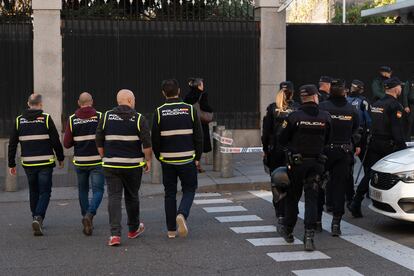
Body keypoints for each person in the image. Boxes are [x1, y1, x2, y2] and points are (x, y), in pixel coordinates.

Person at [95, 89, 152, 246]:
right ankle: (133, 229)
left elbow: (98, 139)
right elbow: (147, 143)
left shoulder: (106, 116)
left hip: (111, 164)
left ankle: (115, 235)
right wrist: (148, 160)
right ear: (130, 100)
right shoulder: (139, 118)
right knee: (132, 196)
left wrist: (103, 156)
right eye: (134, 100)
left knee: (114, 197)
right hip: (133, 165)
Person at [278, 84, 331, 251]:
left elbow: (281, 139)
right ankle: (309, 237)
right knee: (312, 199)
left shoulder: (294, 117)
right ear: (315, 97)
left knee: (292, 198)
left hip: (297, 164)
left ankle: (288, 231)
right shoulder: (325, 116)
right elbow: (328, 140)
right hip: (316, 164)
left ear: (302, 98)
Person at [152, 79, 203, 239]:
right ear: (179, 91)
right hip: (187, 158)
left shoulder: (159, 112)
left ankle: (171, 230)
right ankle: (182, 213)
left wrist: (159, 156)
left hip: (167, 160)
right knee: (189, 189)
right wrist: (197, 157)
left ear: (163, 93)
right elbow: (198, 136)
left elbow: (155, 139)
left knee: (170, 193)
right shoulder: (189, 109)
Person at [349, 77, 406, 218]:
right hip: (388, 146)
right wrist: (402, 148)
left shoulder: (376, 104)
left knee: (370, 173)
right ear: (395, 88)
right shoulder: (395, 106)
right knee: (396, 177)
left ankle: (356, 202)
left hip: (374, 143)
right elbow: (396, 131)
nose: (401, 89)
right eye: (400, 86)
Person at [8, 94, 64, 236]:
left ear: (28, 103)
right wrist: (60, 157)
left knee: (33, 191)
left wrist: (11, 163)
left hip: (28, 163)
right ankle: (38, 217)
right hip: (45, 162)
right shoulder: (45, 119)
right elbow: (55, 140)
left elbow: (12, 144)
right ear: (40, 104)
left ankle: (35, 218)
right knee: (45, 192)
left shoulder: (19, 120)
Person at [319, 79, 360, 236]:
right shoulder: (351, 109)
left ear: (330, 92)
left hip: (324, 152)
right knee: (339, 188)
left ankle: (316, 220)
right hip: (343, 152)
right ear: (344, 92)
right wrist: (351, 142)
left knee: (318, 184)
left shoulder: (322, 107)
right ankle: (336, 223)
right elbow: (357, 130)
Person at [64, 92, 104, 236]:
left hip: (80, 161)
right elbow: (105, 137)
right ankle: (90, 215)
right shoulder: (100, 116)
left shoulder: (72, 119)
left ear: (78, 103)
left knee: (83, 190)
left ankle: (85, 217)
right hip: (97, 161)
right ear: (91, 102)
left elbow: (67, 143)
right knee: (98, 190)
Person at [261, 81, 298, 230]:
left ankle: (280, 213)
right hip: (291, 151)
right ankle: (289, 211)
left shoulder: (272, 108)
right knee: (292, 182)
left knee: (276, 182)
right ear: (293, 93)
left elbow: (266, 132)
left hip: (275, 151)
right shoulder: (296, 109)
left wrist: (265, 149)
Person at [346, 80, 371, 204]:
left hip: (351, 136)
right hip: (357, 136)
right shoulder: (362, 101)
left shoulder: (346, 100)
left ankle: (351, 194)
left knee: (350, 166)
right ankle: (364, 192)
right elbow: (369, 121)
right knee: (366, 165)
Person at [184, 78, 213, 172]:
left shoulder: (188, 96)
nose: (203, 85)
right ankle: (198, 165)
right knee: (199, 142)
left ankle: (193, 164)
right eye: (202, 84)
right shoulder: (202, 94)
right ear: (199, 85)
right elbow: (205, 106)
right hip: (200, 122)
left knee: (191, 143)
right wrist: (211, 109)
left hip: (189, 122)